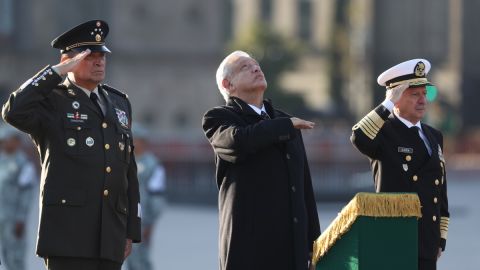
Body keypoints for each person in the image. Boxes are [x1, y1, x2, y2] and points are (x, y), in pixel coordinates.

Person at [1, 20, 141, 270]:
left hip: (110, 237)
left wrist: (130, 230)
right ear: (69, 61)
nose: (99, 62)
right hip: (67, 237)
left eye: (102, 56)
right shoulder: (52, 101)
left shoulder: (119, 104)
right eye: (89, 56)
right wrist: (55, 72)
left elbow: (128, 171)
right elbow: (13, 111)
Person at [202, 50, 321, 270]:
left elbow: (304, 187)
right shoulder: (219, 117)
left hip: (291, 249)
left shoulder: (285, 120)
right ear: (228, 85)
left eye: (256, 65)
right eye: (245, 67)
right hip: (249, 249)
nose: (256, 68)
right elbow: (238, 142)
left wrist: (315, 244)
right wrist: (285, 126)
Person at [350, 59, 450, 270]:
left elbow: (440, 191)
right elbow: (358, 136)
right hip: (394, 237)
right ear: (395, 98)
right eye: (415, 94)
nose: (423, 100)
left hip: (427, 241)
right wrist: (386, 104)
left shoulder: (434, 135)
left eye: (425, 93)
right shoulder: (384, 132)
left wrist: (440, 239)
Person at [125, 124, 166, 270]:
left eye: (137, 140)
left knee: (139, 259)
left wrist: (150, 223)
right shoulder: (123, 160)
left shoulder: (153, 165)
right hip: (121, 216)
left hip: (142, 219)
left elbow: (157, 195)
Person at [0, 124, 36, 270]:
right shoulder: (2, 161)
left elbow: (26, 194)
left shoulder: (24, 164)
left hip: (14, 221)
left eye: (6, 140)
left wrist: (21, 219)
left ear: (16, 141)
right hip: (1, 218)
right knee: (4, 258)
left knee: (15, 258)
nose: (3, 143)